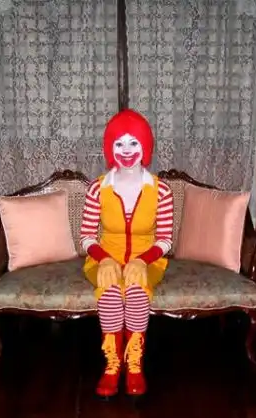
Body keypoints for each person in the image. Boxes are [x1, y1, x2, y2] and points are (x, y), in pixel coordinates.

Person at [79, 109, 174, 399]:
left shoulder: (162, 191)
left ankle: (134, 364)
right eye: (119, 143)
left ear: (145, 146)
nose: (127, 151)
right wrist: (104, 258)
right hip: (104, 257)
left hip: (148, 259)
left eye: (134, 142)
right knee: (109, 292)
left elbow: (165, 239)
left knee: (135, 291)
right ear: (110, 148)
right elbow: (86, 236)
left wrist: (142, 261)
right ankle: (112, 365)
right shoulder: (97, 188)